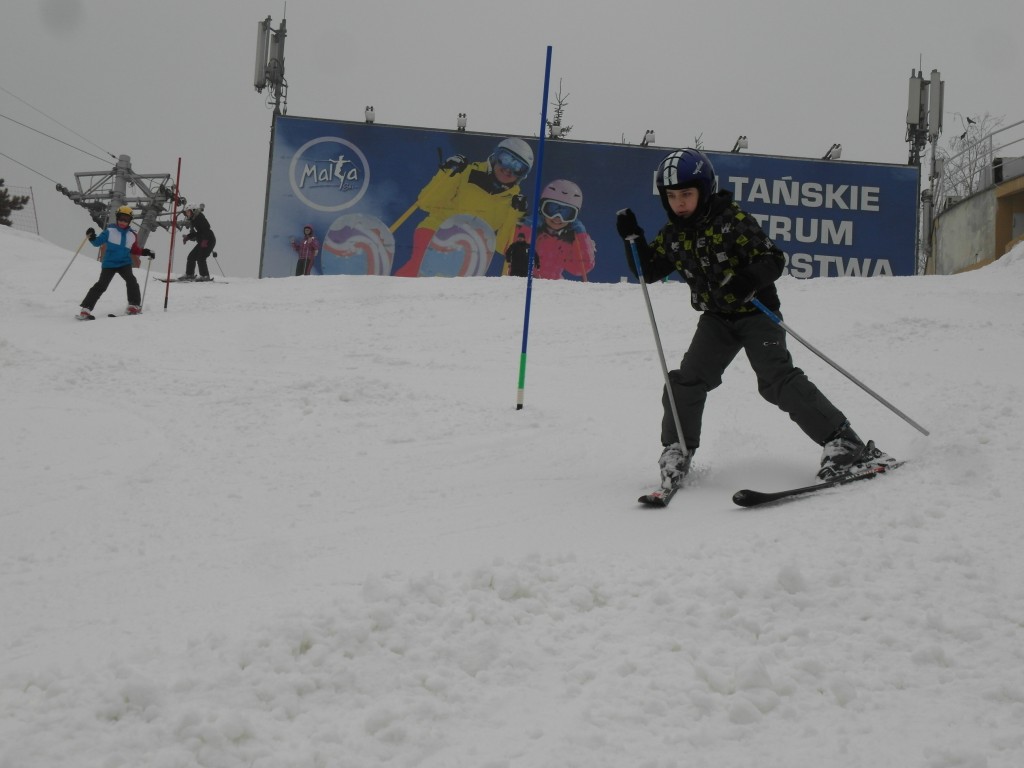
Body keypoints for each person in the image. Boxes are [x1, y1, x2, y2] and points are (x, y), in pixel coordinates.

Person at [615, 148, 896, 490]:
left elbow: (772, 259)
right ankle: (678, 449)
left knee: (776, 378)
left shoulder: (731, 220)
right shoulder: (674, 234)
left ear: (704, 190)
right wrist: (633, 240)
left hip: (756, 312)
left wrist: (746, 280)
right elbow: (648, 271)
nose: (679, 203)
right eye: (671, 196)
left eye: (686, 194)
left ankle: (844, 442)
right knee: (686, 380)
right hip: (717, 319)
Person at [393, 137, 531, 277]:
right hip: (437, 232)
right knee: (419, 270)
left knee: (451, 285)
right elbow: (426, 202)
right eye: (505, 159)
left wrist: (516, 214)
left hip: (472, 250)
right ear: (496, 156)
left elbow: (503, 247)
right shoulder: (467, 172)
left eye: (518, 167)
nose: (508, 169)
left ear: (523, 175)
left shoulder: (514, 201)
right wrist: (449, 173)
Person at [77, 205, 154, 320]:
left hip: (124, 263)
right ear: (117, 218)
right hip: (109, 263)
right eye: (121, 218)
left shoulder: (132, 235)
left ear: (130, 221)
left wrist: (145, 252)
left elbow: (134, 249)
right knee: (101, 285)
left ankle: (134, 305)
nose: (123, 222)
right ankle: (86, 308)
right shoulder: (110, 231)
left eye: (126, 220)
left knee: (131, 281)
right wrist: (92, 237)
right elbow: (97, 242)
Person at [521, 179, 596, 281]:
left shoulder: (570, 241)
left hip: (553, 285)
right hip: (524, 281)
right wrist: (527, 228)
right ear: (542, 208)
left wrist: (581, 235)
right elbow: (514, 254)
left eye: (566, 213)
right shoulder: (530, 230)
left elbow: (581, 269)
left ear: (574, 218)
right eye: (552, 209)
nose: (558, 218)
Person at [179, 204, 216, 281]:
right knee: (191, 257)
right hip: (203, 240)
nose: (187, 214)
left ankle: (205, 276)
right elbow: (198, 232)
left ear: (193, 211)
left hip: (209, 240)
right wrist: (188, 237)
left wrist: (205, 241)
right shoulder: (194, 219)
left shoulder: (199, 217)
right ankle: (189, 274)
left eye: (188, 212)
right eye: (186, 213)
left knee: (201, 257)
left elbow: (207, 228)